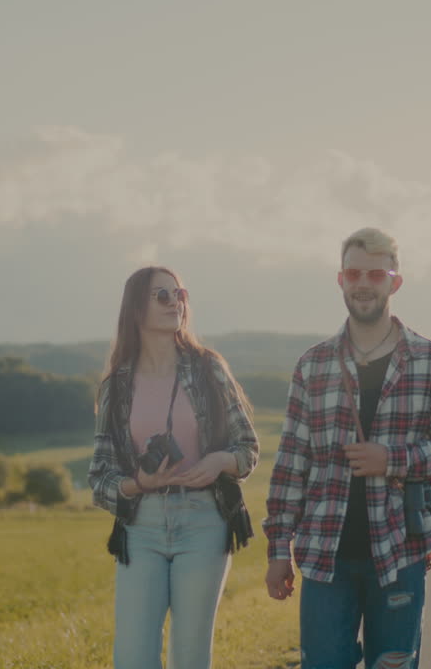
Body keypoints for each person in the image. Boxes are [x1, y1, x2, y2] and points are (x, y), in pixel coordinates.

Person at [264, 227, 431, 669]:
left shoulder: (430, 360)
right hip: (325, 557)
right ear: (340, 279)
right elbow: (290, 465)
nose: (364, 283)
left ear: (394, 283)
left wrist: (392, 459)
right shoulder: (313, 365)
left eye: (375, 274)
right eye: (354, 273)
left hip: (400, 552)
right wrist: (279, 550)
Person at [89, 265, 260, 669]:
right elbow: (99, 479)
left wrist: (220, 461)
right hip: (141, 526)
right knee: (132, 657)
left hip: (203, 522)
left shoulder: (208, 368)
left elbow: (247, 449)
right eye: (161, 296)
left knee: (189, 656)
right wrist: (138, 483)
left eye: (179, 294)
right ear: (135, 310)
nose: (174, 303)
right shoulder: (116, 385)